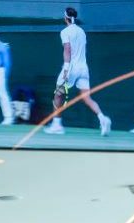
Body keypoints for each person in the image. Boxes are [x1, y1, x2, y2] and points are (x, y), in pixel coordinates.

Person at [45, 7, 111, 136]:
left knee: (58, 94)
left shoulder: (65, 32)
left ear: (65, 18)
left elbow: (67, 50)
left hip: (71, 68)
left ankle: (57, 125)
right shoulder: (82, 32)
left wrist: (66, 69)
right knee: (86, 97)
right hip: (83, 68)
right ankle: (102, 118)